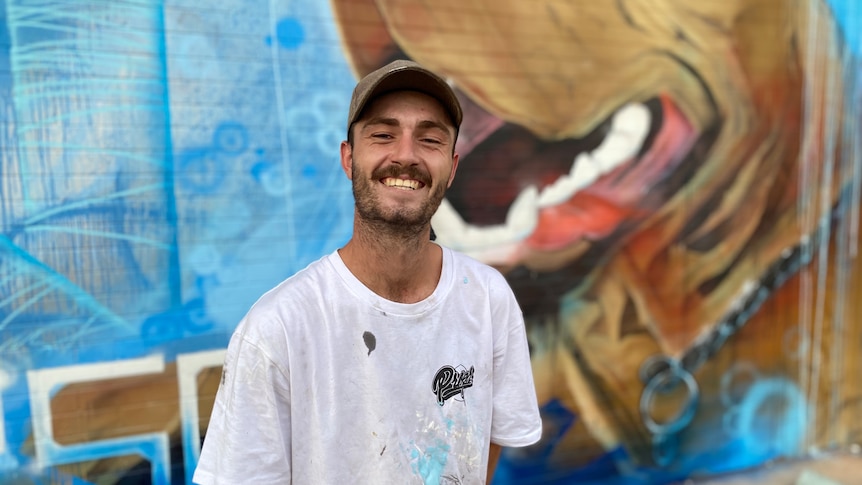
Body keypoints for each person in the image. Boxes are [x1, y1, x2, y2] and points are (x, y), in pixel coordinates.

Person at [193, 59, 542, 484]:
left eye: (429, 139)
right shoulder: (277, 329)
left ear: (451, 169)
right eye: (382, 135)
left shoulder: (487, 299)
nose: (406, 156)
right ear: (348, 158)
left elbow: (490, 440)